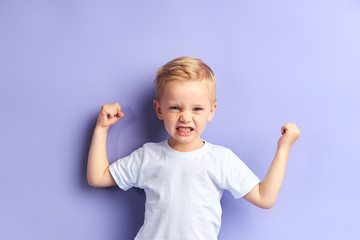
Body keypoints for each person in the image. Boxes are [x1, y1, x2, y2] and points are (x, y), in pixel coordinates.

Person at [87, 56, 300, 240]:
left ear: (211, 111)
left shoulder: (221, 159)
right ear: (159, 109)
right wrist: (101, 128)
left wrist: (284, 148)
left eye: (197, 108)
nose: (185, 117)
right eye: (175, 107)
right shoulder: (148, 156)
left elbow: (265, 197)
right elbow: (98, 177)